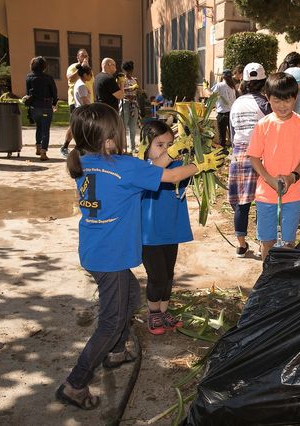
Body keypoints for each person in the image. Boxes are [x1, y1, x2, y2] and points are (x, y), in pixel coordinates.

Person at [56, 103, 225, 410]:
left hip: (95, 251)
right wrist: (203, 164)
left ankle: (118, 351)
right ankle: (75, 384)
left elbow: (153, 167)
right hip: (113, 257)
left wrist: (173, 151)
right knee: (111, 320)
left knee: (131, 293)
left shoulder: (83, 160)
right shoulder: (123, 166)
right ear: (110, 138)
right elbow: (170, 177)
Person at [247, 72, 300, 261]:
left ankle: (285, 280)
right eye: (277, 100)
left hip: (293, 193)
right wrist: (269, 179)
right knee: (267, 241)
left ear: (295, 98)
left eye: (287, 100)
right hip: (266, 195)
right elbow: (254, 157)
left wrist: (293, 176)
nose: (282, 105)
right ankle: (268, 278)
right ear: (268, 99)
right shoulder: (263, 125)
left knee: (287, 243)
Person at [138, 120, 192, 335]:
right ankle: (153, 312)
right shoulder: (141, 169)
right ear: (145, 146)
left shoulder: (178, 166)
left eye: (171, 144)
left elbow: (192, 170)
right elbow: (155, 171)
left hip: (172, 230)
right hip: (149, 234)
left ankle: (163, 310)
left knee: (169, 274)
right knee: (157, 275)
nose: (168, 150)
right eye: (160, 145)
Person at [228, 63, 271, 257]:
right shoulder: (265, 104)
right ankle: (264, 243)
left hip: (238, 153)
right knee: (263, 200)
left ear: (244, 81)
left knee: (241, 202)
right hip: (260, 154)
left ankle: (241, 244)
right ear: (263, 82)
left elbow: (232, 133)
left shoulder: (236, 103)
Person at [24, 56, 58, 161]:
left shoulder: (29, 77)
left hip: (34, 107)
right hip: (46, 106)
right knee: (45, 129)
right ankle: (44, 151)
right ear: (44, 66)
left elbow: (27, 93)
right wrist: (54, 103)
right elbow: (54, 92)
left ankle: (38, 147)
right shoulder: (48, 78)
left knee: (39, 126)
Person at [61, 49, 91, 158]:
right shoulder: (74, 67)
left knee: (83, 126)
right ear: (77, 57)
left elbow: (90, 83)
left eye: (86, 56)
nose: (84, 57)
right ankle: (65, 146)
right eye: (82, 56)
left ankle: (81, 147)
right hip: (75, 101)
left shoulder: (88, 70)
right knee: (74, 126)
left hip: (86, 101)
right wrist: (80, 67)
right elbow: (70, 78)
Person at [211, 69, 237, 153]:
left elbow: (211, 96)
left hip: (222, 114)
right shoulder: (232, 87)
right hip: (231, 113)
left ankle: (223, 153)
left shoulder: (219, 85)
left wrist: (205, 87)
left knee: (222, 137)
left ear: (223, 76)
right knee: (232, 134)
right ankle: (234, 151)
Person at [119, 61, 140, 153]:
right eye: (127, 71)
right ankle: (124, 148)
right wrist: (130, 88)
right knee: (123, 126)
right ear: (124, 70)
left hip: (134, 104)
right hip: (125, 103)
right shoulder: (121, 79)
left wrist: (138, 88)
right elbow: (120, 91)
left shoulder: (135, 80)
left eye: (131, 70)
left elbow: (139, 91)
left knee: (133, 126)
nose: (129, 73)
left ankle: (133, 147)